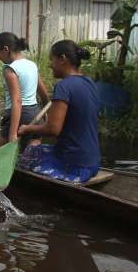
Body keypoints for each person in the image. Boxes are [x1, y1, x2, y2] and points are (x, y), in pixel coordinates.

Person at [17, 40, 101, 183]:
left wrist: (27, 128)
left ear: (62, 59)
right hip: (93, 163)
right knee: (39, 149)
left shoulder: (64, 86)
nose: (50, 65)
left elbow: (53, 129)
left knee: (27, 155)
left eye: (52, 60)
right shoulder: (90, 83)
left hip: (74, 164)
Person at [0, 32, 49, 148]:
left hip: (18, 115)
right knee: (32, 154)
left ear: (6, 49)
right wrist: (46, 118)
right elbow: (44, 94)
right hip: (36, 114)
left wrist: (12, 134)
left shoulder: (10, 70)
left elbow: (17, 101)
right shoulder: (32, 65)